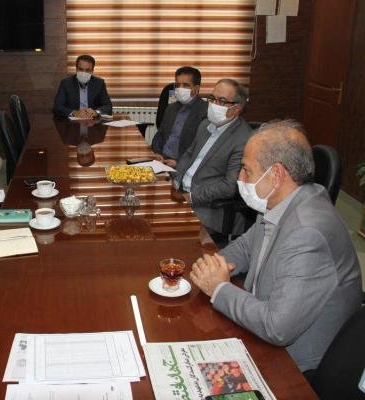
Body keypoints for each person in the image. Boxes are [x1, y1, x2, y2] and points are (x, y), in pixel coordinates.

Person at [189, 120, 362, 372]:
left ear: (277, 174)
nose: (239, 178)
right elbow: (245, 248)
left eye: (246, 170)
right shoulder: (279, 201)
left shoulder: (308, 233)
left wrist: (219, 288)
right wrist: (211, 267)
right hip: (259, 326)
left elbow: (277, 327)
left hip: (295, 365)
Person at [172, 78, 252, 245]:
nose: (214, 104)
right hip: (181, 195)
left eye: (221, 101)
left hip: (209, 209)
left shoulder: (244, 139)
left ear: (237, 108)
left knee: (169, 239)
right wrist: (176, 182)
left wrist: (191, 197)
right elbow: (188, 155)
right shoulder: (205, 125)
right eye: (212, 98)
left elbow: (229, 186)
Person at [150, 66, 208, 167]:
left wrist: (178, 163)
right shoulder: (171, 108)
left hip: (182, 165)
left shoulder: (205, 111)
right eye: (177, 85)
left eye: (186, 85)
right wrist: (157, 153)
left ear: (196, 88)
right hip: (161, 160)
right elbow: (160, 135)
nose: (180, 88)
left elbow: (202, 148)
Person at [53, 54, 113, 118]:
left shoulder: (99, 83)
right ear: (76, 69)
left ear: (92, 71)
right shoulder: (66, 83)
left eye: (87, 70)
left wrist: (96, 112)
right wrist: (74, 113)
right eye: (81, 69)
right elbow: (57, 107)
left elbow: (108, 106)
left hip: (92, 122)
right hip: (72, 122)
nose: (84, 73)